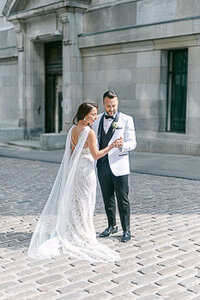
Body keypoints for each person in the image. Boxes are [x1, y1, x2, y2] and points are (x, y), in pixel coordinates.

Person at [28, 102, 120, 262]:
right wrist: (112, 145)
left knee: (76, 202)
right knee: (86, 202)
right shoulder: (89, 132)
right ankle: (83, 231)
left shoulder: (72, 130)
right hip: (86, 172)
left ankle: (74, 228)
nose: (95, 117)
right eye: (93, 114)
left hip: (75, 169)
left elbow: (71, 153)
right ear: (84, 116)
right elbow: (96, 155)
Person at [93, 91, 137, 243]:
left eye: (113, 106)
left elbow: (133, 143)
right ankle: (112, 225)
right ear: (103, 104)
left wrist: (122, 145)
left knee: (122, 199)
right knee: (107, 198)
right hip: (102, 165)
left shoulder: (126, 119)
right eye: (108, 106)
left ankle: (126, 230)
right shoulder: (97, 119)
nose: (111, 109)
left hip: (119, 165)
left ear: (117, 103)